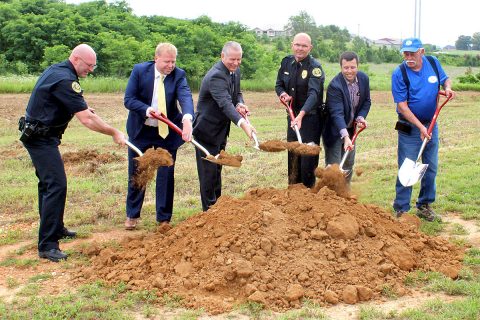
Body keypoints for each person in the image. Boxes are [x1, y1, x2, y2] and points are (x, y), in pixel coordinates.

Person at [19, 44, 126, 262]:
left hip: (41, 135)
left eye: (93, 66)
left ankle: (55, 228)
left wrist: (80, 108)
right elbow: (86, 119)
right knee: (56, 185)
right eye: (89, 65)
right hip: (40, 139)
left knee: (48, 185)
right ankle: (48, 245)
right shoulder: (66, 80)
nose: (91, 70)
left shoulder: (58, 70)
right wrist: (114, 132)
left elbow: (65, 103)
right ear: (76, 59)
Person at [124, 42, 194, 229]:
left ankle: (163, 218)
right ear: (156, 59)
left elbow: (185, 96)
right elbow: (129, 100)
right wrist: (146, 109)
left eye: (173, 62)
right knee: (139, 171)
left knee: (166, 173)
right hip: (142, 129)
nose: (170, 66)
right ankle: (132, 215)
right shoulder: (140, 71)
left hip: (166, 133)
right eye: (166, 62)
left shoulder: (179, 75)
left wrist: (187, 118)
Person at [391, 37, 455, 221]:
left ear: (422, 52)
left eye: (412, 53)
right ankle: (401, 208)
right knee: (407, 166)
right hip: (409, 126)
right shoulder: (399, 73)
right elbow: (402, 106)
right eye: (405, 53)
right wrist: (420, 127)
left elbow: (445, 79)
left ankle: (424, 204)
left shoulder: (433, 63)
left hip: (431, 124)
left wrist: (448, 88)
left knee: (430, 166)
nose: (408, 57)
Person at [192, 41, 255, 211]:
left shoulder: (234, 71)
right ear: (222, 56)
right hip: (206, 130)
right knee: (208, 173)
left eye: (239, 59)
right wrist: (243, 124)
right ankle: (209, 211)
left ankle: (218, 207)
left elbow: (236, 94)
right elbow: (225, 103)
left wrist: (240, 103)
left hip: (221, 130)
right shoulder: (216, 75)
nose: (235, 63)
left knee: (217, 169)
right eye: (232, 59)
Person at [275, 32, 325, 188]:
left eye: (304, 46)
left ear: (310, 47)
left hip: (310, 120)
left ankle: (308, 196)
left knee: (307, 160)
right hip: (292, 118)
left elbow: (314, 94)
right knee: (293, 156)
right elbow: (279, 85)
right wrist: (283, 94)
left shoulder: (315, 67)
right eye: (297, 45)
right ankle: (293, 193)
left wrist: (302, 115)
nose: (300, 48)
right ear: (292, 45)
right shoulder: (286, 63)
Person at [323, 51, 371, 182]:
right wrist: (345, 137)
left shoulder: (363, 79)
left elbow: (366, 101)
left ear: (357, 66)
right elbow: (336, 114)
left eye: (352, 67)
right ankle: (330, 196)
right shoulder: (335, 86)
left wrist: (360, 117)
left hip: (351, 128)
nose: (349, 71)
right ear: (341, 67)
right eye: (346, 67)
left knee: (348, 163)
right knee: (334, 166)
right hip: (334, 130)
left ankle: (345, 195)